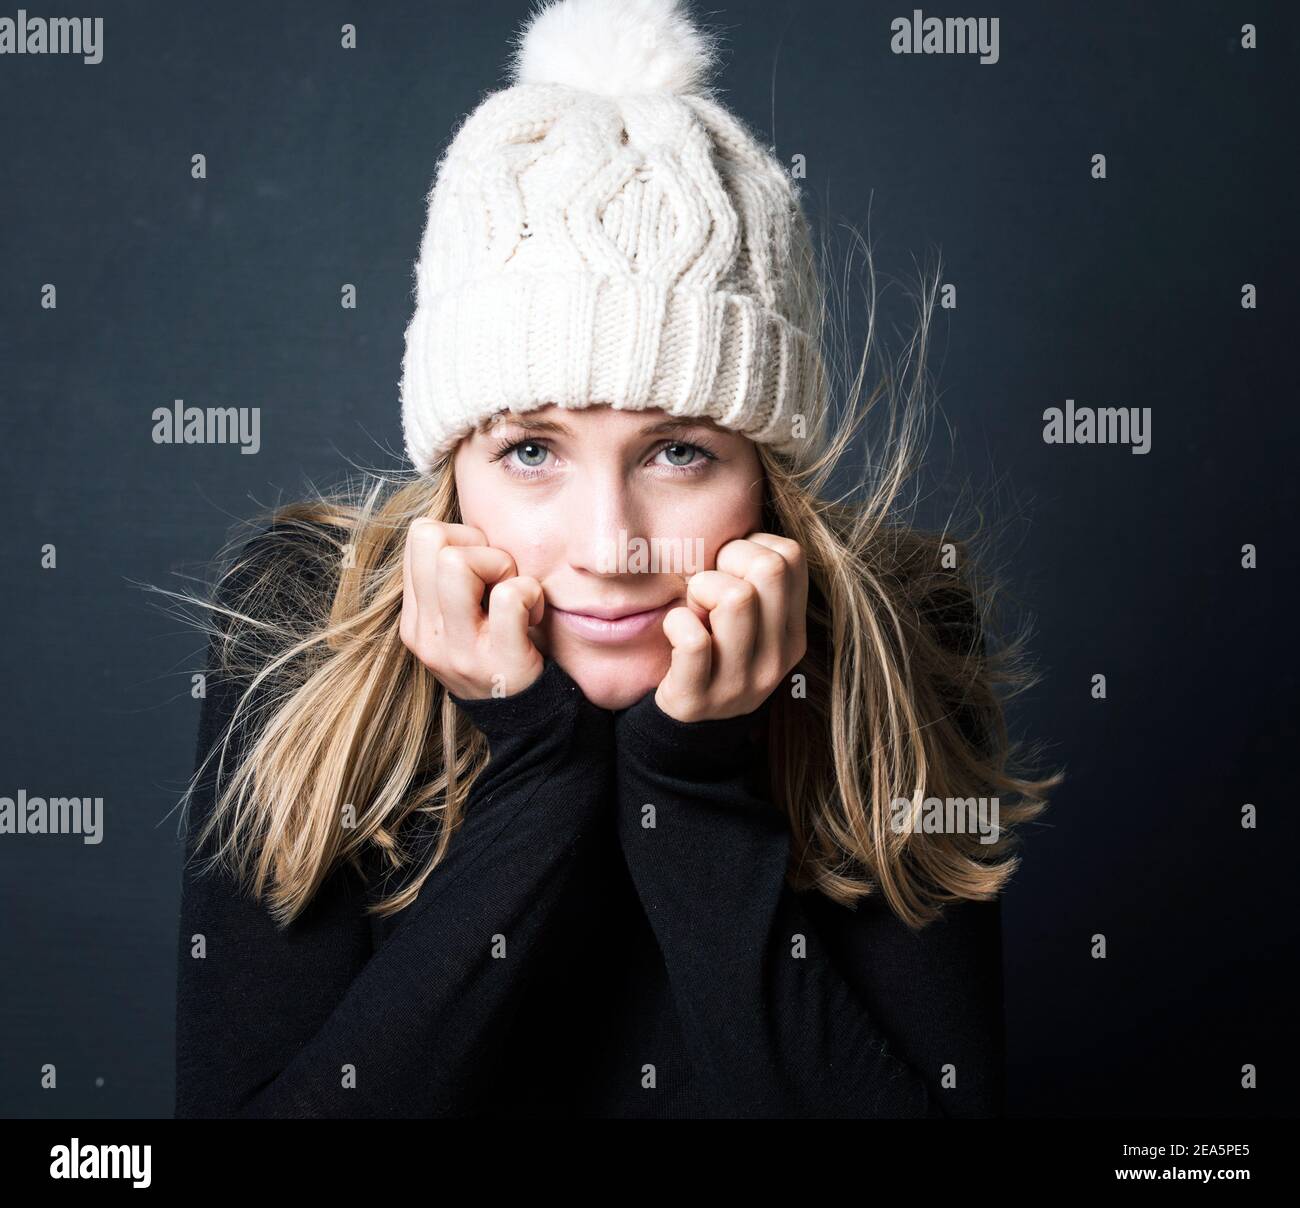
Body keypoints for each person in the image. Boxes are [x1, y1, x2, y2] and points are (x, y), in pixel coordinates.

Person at [172, 0, 1056, 1119]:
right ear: (453, 471)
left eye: (679, 451)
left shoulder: (901, 626)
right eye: (532, 450)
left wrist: (689, 793)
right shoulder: (296, 614)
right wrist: (538, 772)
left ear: (766, 478)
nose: (612, 544)